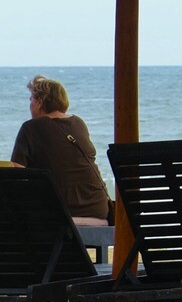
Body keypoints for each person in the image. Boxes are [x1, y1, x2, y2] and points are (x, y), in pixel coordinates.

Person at [9, 75, 111, 225]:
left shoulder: (30, 127)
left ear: (39, 102)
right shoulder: (78, 122)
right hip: (98, 208)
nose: (30, 104)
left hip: (62, 211)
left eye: (31, 99)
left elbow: (17, 174)